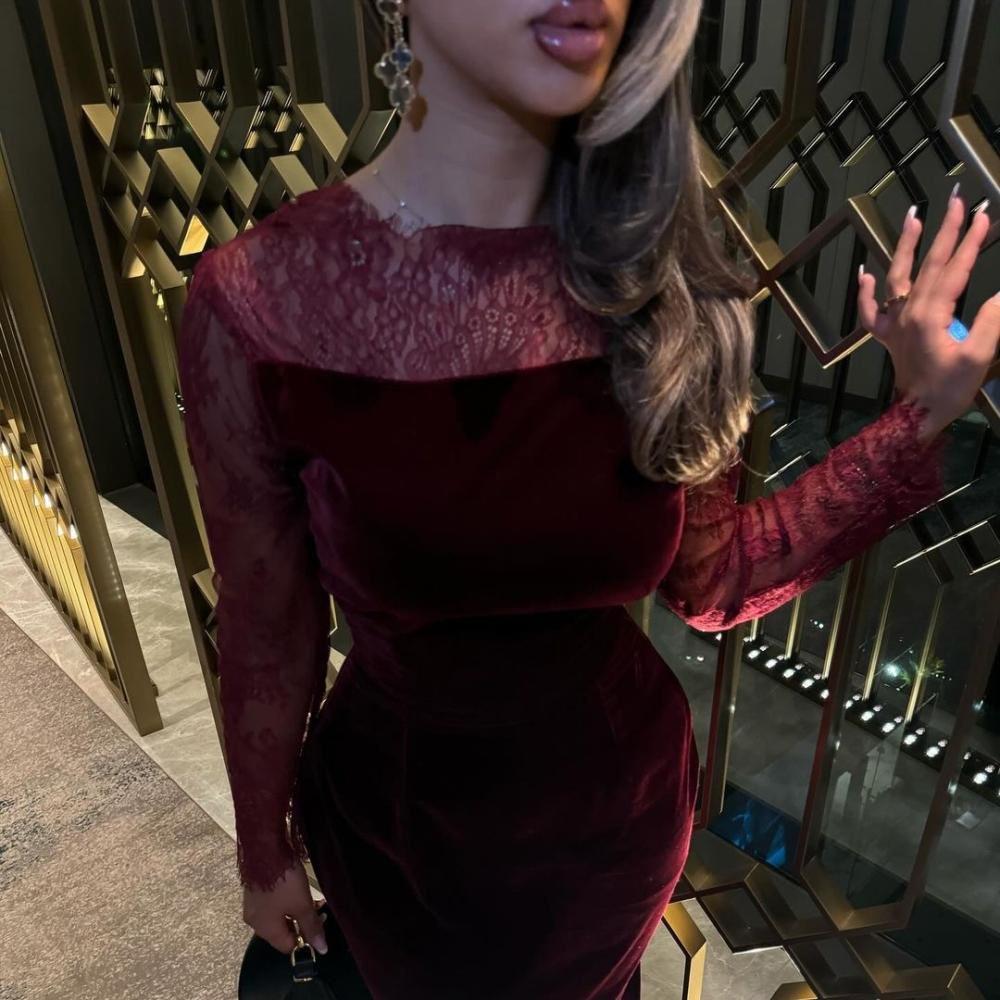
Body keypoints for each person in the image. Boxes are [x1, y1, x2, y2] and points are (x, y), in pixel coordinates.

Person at [176, 0, 999, 996]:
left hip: (614, 825)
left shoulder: (667, 282)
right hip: (399, 825)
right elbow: (268, 624)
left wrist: (918, 416)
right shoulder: (258, 300)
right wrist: (262, 848)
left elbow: (715, 578)